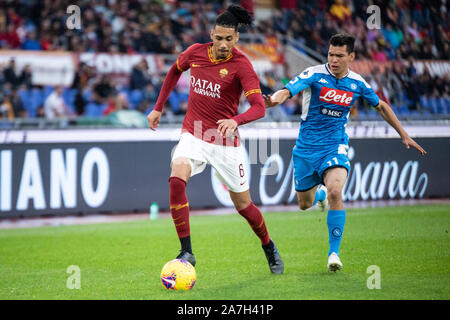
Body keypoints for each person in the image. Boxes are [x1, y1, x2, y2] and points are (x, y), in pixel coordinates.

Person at [264, 33, 426, 272]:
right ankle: (319, 196)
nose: (334, 59)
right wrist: (274, 100)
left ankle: (333, 253)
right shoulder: (314, 74)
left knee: (336, 191)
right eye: (331, 54)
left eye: (339, 55)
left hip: (335, 145)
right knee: (303, 204)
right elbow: (288, 90)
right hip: (306, 150)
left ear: (351, 56)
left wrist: (403, 134)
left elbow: (380, 106)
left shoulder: (358, 83)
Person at [147, 5, 284, 274]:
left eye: (228, 39)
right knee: (177, 177)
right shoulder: (195, 52)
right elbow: (175, 70)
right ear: (212, 34)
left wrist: (236, 120)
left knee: (244, 206)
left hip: (224, 142)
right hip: (194, 133)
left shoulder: (242, 65)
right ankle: (186, 250)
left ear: (237, 38)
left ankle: (268, 246)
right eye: (218, 38)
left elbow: (258, 106)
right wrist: (158, 107)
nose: (223, 44)